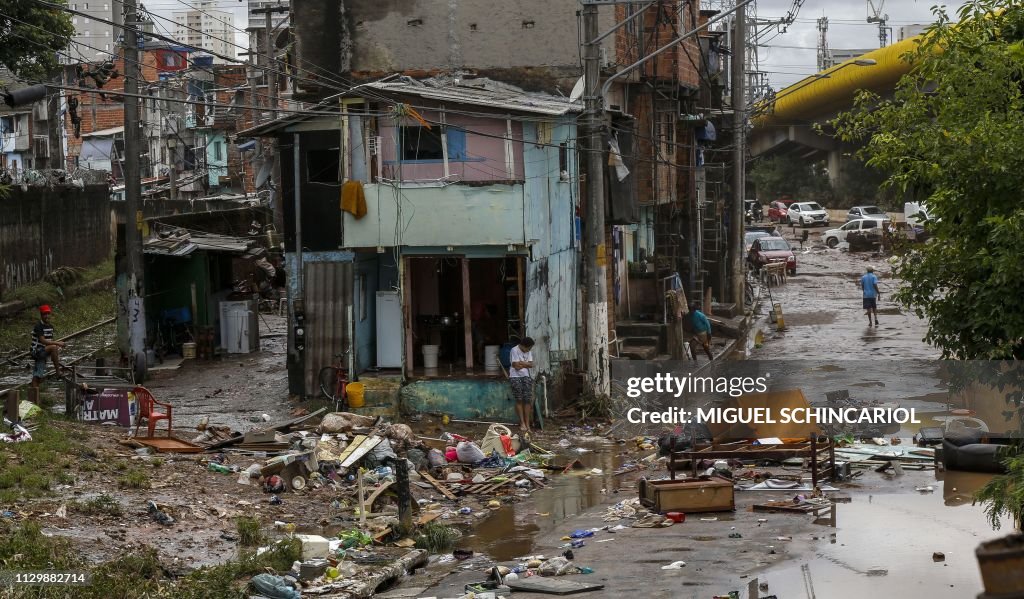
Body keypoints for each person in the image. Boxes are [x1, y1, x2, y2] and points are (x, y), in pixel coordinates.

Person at [30, 305, 65, 388]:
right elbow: (43, 341)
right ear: (41, 315)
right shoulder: (38, 326)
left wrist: (56, 348)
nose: (47, 316)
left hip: (43, 351)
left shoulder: (50, 327)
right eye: (44, 314)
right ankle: (58, 372)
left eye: (48, 314)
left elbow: (49, 341)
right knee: (54, 347)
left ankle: (35, 394)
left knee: (38, 375)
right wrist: (58, 344)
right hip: (36, 351)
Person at [508, 337, 535, 433]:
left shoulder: (528, 351)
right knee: (519, 399)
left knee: (527, 400)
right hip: (515, 377)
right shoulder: (514, 350)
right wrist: (526, 364)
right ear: (523, 346)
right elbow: (516, 366)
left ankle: (527, 424)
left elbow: (531, 365)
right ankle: (522, 423)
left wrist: (522, 363)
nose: (528, 350)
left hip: (526, 376)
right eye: (528, 348)